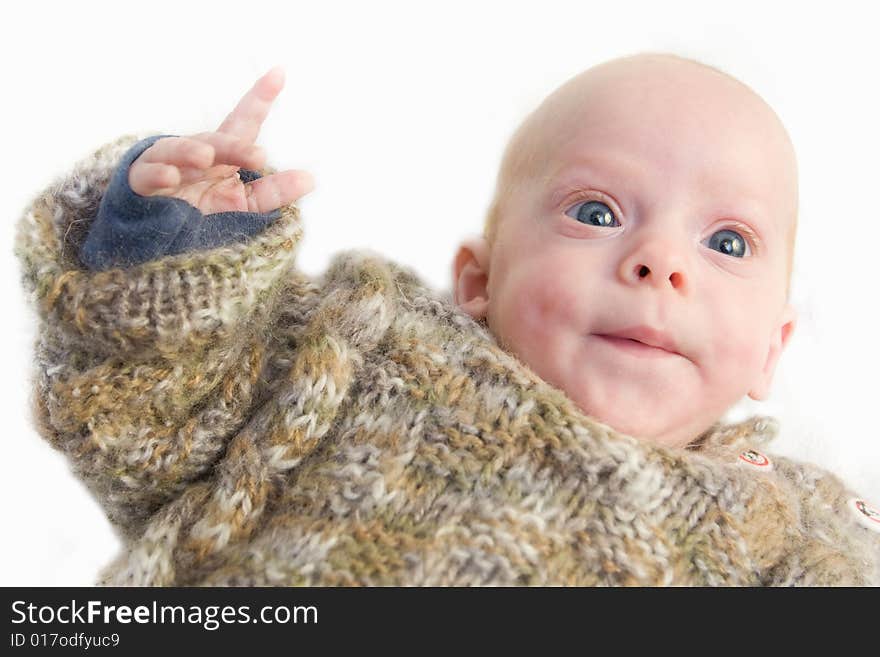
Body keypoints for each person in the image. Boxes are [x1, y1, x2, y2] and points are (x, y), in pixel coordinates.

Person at [13, 53, 879, 586]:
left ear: (775, 348)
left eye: (727, 240)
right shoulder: (361, 354)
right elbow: (147, 421)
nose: (662, 262)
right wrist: (171, 245)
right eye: (599, 213)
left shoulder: (795, 533)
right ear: (479, 281)